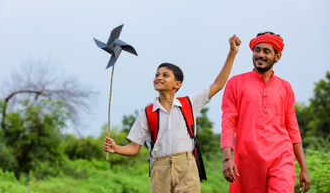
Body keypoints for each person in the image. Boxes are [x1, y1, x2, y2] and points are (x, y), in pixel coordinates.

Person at [103, 35, 241, 193]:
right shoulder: (147, 114)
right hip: (159, 169)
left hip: (187, 167)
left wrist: (232, 53)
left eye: (165, 75)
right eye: (157, 75)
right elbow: (134, 148)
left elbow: (218, 84)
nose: (158, 77)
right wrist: (116, 148)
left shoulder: (189, 103)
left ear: (177, 84)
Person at [221, 32, 311, 193]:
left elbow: (293, 129)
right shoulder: (235, 83)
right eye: (257, 50)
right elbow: (228, 122)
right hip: (247, 160)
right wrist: (227, 158)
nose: (260, 55)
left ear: (277, 57)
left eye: (266, 51)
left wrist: (303, 168)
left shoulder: (285, 87)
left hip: (281, 157)